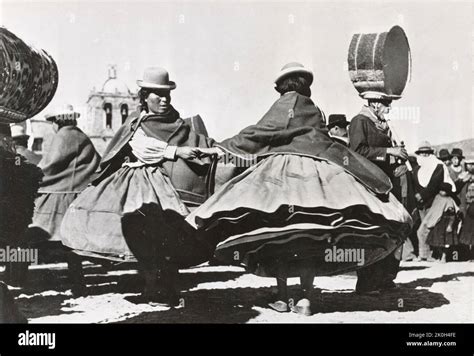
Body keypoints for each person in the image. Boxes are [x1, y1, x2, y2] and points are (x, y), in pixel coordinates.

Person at [187, 62, 412, 315]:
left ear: (282, 85)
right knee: (308, 237)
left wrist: (224, 146)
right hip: (316, 175)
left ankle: (283, 297)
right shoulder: (313, 107)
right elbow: (323, 140)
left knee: (281, 237)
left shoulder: (286, 103)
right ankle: (305, 300)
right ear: (306, 85)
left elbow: (262, 132)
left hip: (285, 174)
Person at [61, 67, 216, 305]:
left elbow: (197, 142)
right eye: (157, 95)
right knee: (143, 232)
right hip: (142, 182)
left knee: (170, 234)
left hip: (171, 185)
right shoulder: (137, 123)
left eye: (167, 95)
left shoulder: (177, 122)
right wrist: (175, 151)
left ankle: (163, 287)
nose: (163, 100)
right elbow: (142, 147)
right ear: (145, 97)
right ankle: (153, 287)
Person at [29, 105, 100, 294]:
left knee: (32, 233)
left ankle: (21, 277)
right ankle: (78, 283)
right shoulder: (83, 136)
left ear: (56, 122)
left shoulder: (62, 136)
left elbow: (48, 166)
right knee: (72, 244)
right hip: (80, 198)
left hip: (61, 199)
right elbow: (96, 165)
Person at [348, 94, 409, 294]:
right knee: (372, 231)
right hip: (369, 185)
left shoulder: (383, 125)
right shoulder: (360, 121)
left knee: (391, 230)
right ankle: (366, 283)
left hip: (386, 185)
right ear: (374, 103)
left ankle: (385, 278)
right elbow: (356, 151)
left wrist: (397, 161)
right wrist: (389, 152)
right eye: (386, 104)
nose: (389, 109)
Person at [412, 141, 458, 262]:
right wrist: (417, 196)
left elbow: (435, 183)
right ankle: (425, 255)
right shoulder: (417, 168)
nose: (424, 155)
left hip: (434, 202)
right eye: (422, 153)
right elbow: (415, 184)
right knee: (424, 228)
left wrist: (423, 195)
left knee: (433, 228)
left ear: (431, 153)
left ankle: (436, 254)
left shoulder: (438, 166)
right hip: (421, 203)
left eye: (427, 153)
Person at [457, 157, 474, 260]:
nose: (471, 166)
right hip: (466, 207)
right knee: (467, 230)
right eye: (469, 164)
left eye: (473, 164)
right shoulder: (463, 176)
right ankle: (468, 255)